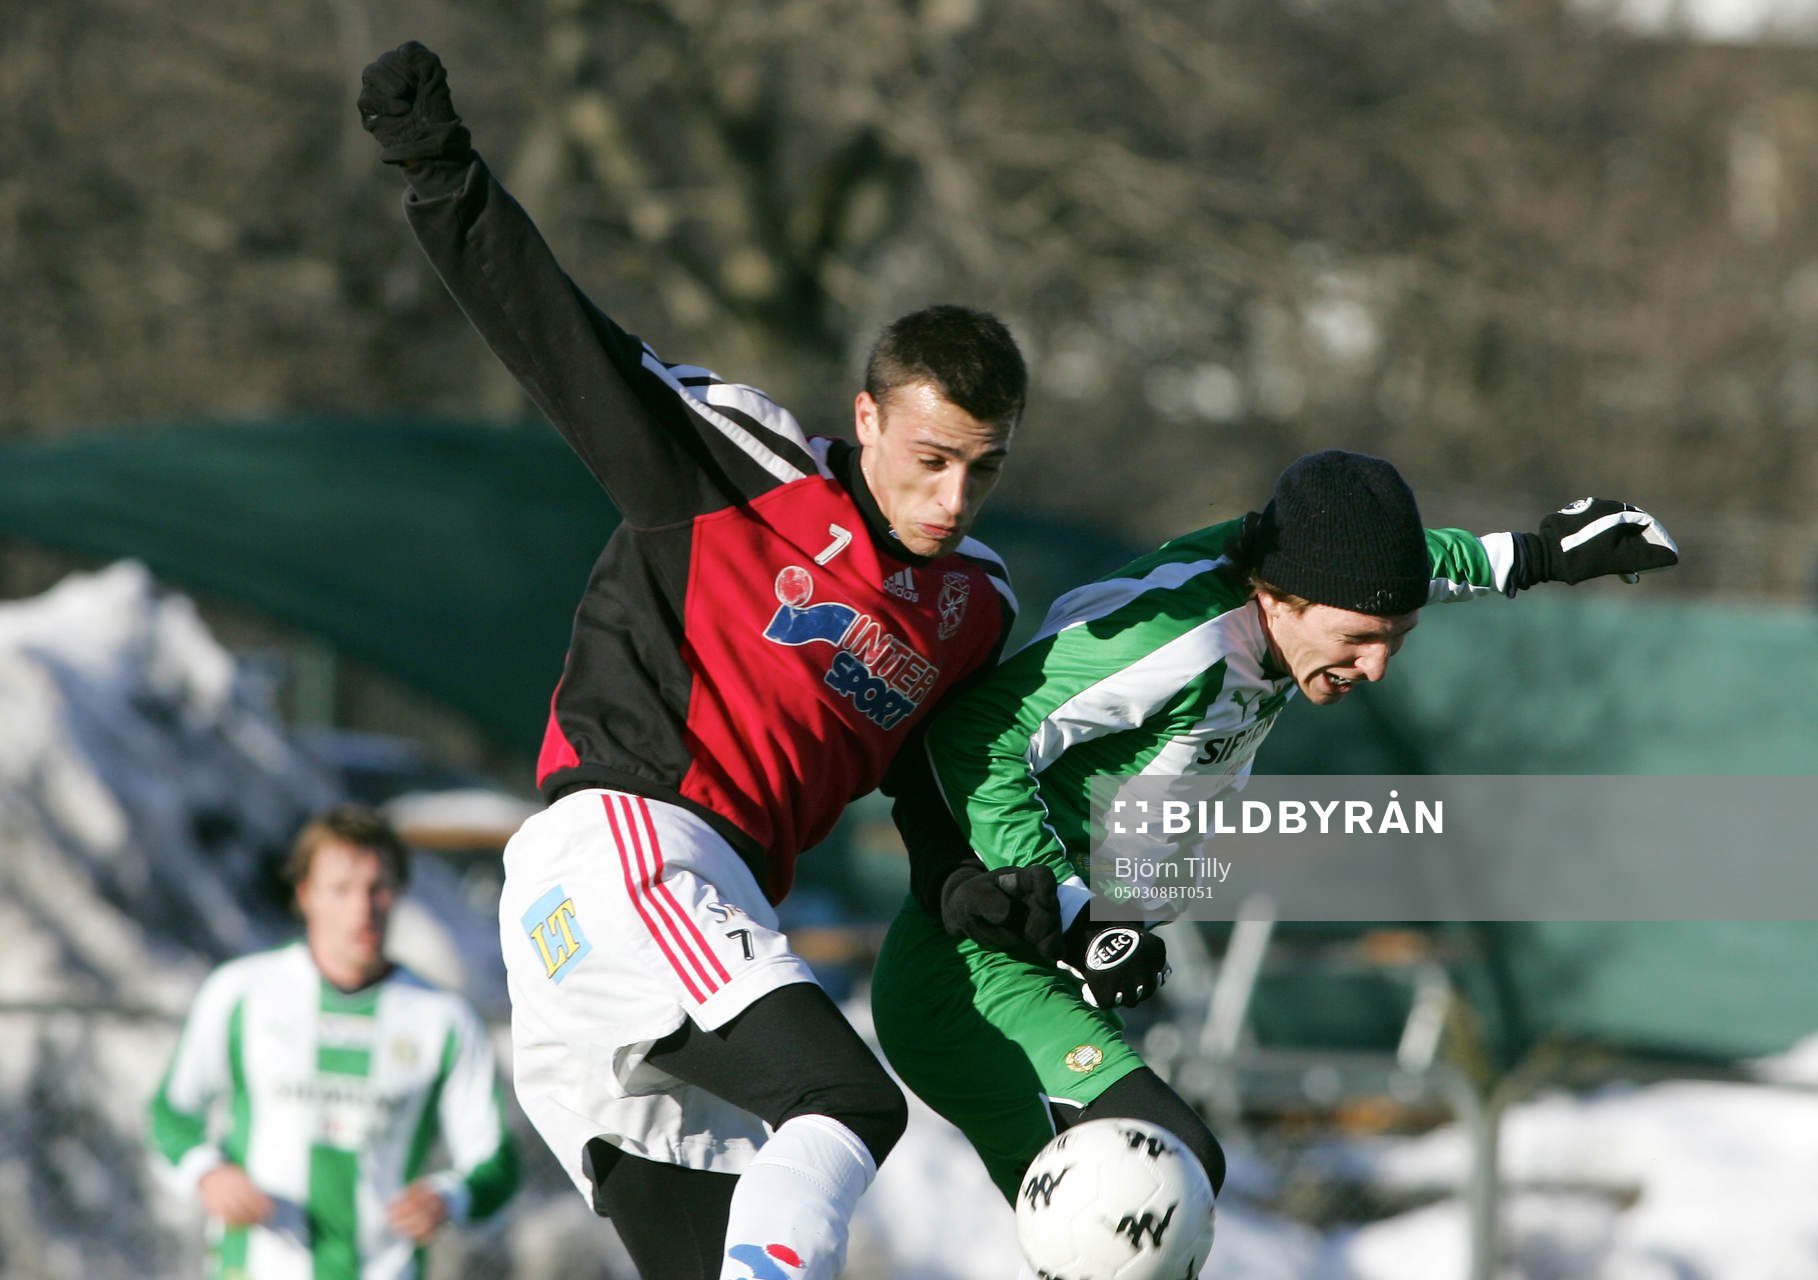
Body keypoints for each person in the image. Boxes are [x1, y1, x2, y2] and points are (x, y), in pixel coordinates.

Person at [355, 42, 1028, 1280]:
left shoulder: (972, 609)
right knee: (849, 1104)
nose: (953, 494)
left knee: (712, 1249)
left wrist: (970, 882)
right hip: (632, 845)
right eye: (930, 457)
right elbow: (560, 337)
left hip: (659, 917)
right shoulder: (735, 473)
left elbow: (937, 789)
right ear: (867, 417)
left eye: (982, 467)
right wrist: (438, 169)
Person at [871, 451, 1680, 1267]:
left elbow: (1414, 569)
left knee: (1149, 1216)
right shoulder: (1177, 640)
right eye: (1360, 639)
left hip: (1041, 978)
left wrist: (1539, 556)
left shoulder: (1307, 584)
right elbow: (972, 740)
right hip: (974, 976)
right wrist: (1078, 920)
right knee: (1155, 1193)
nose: (1377, 664)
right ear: (1277, 599)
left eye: (1397, 638)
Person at [147, 804, 519, 1280]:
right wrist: (207, 1172)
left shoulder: (443, 1020)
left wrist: (449, 1197)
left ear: (399, 894)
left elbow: (497, 1162)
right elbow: (169, 1115)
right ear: (305, 894)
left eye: (377, 888)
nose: (362, 908)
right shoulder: (241, 993)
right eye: (341, 889)